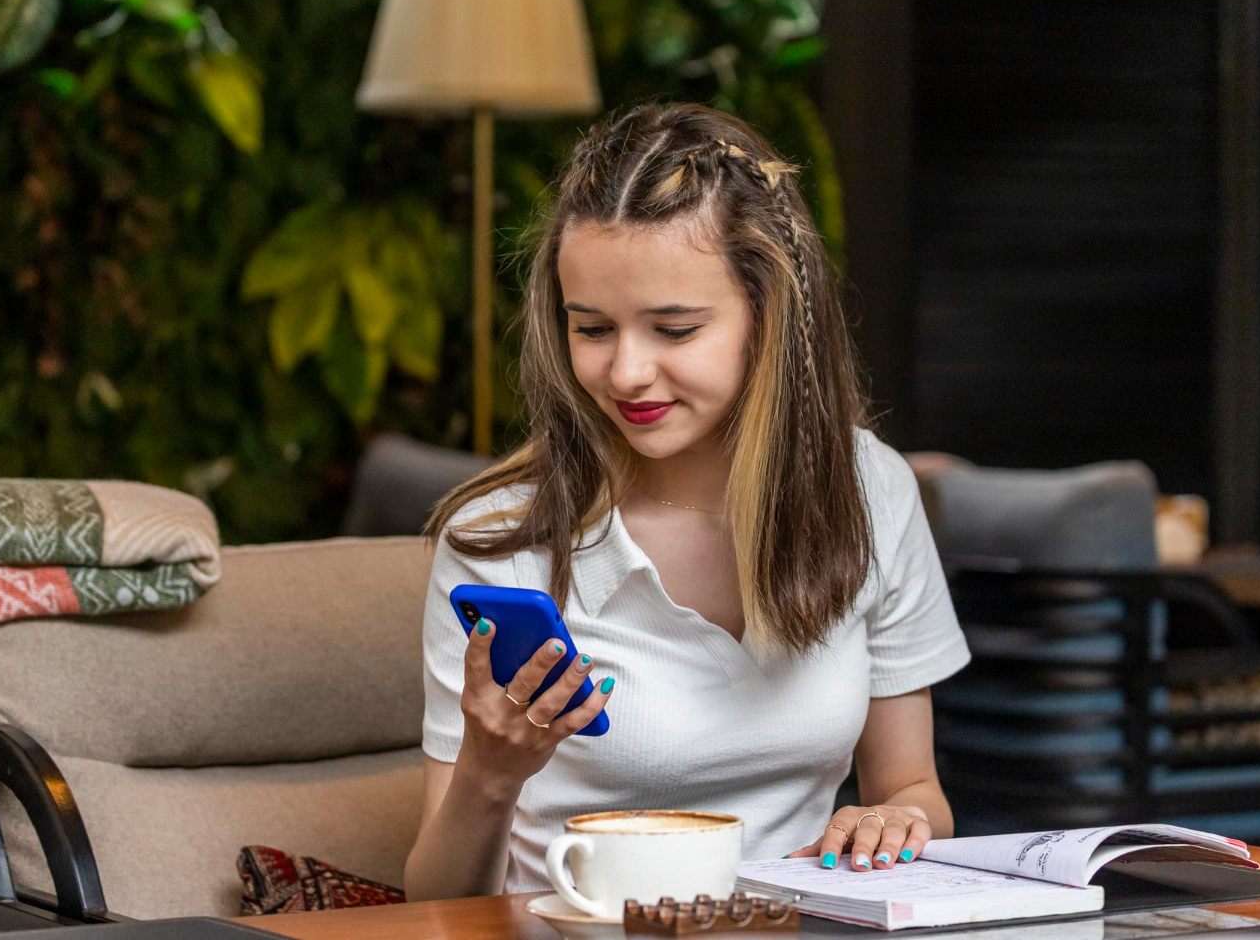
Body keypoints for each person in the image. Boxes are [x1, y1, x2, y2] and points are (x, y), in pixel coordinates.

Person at [403, 101, 971, 902]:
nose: (626, 373)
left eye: (673, 330)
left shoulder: (869, 488)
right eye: (592, 328)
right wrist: (489, 777)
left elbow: (915, 791)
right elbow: (436, 903)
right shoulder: (501, 539)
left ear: (768, 318)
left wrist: (893, 824)